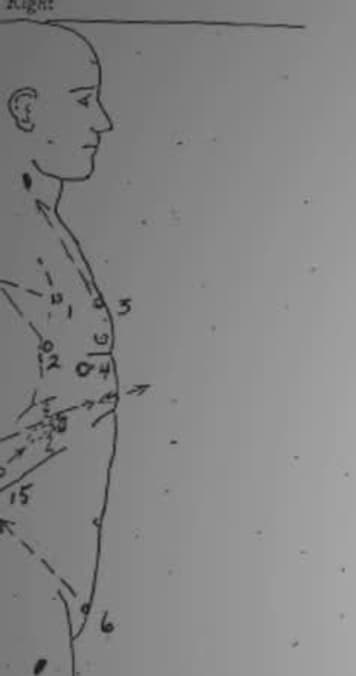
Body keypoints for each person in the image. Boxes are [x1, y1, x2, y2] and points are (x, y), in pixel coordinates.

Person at [1, 19, 123, 676]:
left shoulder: (40, 225)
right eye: (82, 99)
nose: (102, 121)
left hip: (46, 572)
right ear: (24, 110)